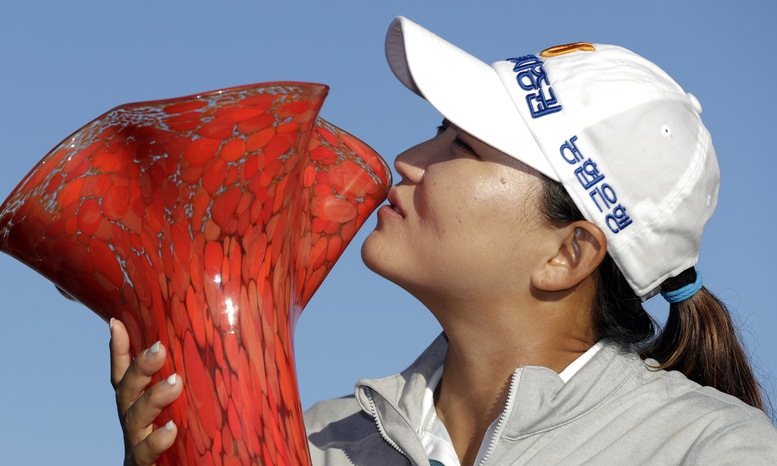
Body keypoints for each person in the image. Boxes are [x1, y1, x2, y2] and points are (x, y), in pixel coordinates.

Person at [111, 16, 777, 466]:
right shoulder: (318, 442)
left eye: (459, 144)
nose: (405, 158)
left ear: (565, 254)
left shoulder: (706, 447)